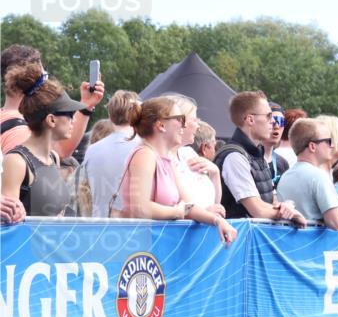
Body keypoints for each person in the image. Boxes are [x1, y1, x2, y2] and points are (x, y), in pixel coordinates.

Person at [118, 97, 237, 246]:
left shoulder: (165, 159)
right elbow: (140, 208)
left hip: (160, 246)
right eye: (180, 119)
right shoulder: (145, 155)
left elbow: (188, 205)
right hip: (144, 249)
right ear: (161, 125)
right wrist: (176, 212)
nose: (184, 124)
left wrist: (217, 220)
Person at [215, 90, 306, 226]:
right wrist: (290, 214)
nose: (273, 122)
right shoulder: (234, 157)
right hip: (235, 242)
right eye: (269, 116)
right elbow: (258, 210)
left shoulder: (256, 154)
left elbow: (266, 201)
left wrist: (282, 206)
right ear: (250, 119)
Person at [1, 62, 81, 216]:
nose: (74, 120)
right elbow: (8, 225)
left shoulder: (53, 157)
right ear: (51, 120)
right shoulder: (17, 161)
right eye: (69, 114)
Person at [1, 44, 104, 157]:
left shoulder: (9, 120)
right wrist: (86, 106)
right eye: (44, 77)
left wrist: (86, 105)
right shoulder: (20, 133)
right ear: (29, 79)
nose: (47, 82)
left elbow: (58, 152)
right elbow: (59, 153)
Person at [80, 90, 143, 218]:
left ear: (110, 115)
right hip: (136, 227)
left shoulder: (92, 150)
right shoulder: (145, 147)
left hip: (101, 226)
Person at [165, 94, 223, 210]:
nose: (197, 126)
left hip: (203, 226)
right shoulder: (161, 158)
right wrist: (205, 214)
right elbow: (170, 205)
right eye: (195, 120)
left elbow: (215, 203)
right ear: (180, 122)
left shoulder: (188, 153)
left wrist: (215, 174)